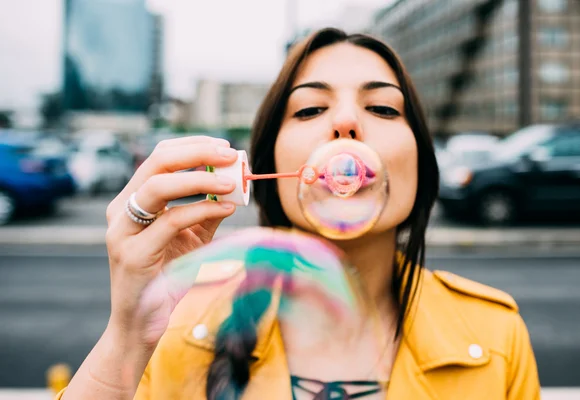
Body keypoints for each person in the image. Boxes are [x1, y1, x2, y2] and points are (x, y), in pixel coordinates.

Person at [56, 28, 540, 400]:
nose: (346, 123)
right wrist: (128, 338)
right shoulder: (179, 326)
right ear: (267, 164)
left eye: (383, 109)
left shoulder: (495, 335)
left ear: (421, 162)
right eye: (309, 110)